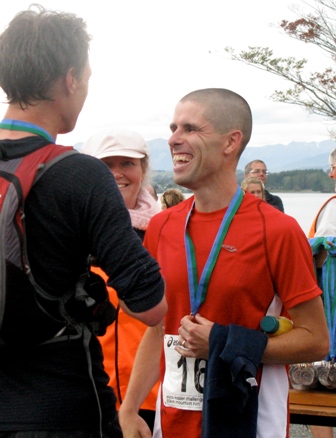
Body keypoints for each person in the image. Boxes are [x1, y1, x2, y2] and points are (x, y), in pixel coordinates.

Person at [118, 88, 329, 438]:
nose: (173, 139)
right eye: (173, 128)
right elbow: (159, 329)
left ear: (231, 142)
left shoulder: (277, 229)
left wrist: (221, 341)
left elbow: (316, 340)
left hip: (250, 419)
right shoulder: (163, 225)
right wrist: (128, 408)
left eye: (190, 129)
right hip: (172, 423)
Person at [0, 5, 166, 438]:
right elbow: (148, 305)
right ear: (70, 78)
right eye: (87, 79)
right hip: (60, 405)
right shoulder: (78, 173)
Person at [81, 128, 161, 431]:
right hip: (87, 396)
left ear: (143, 170)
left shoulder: (166, 232)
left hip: (151, 398)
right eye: (105, 165)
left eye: (127, 163)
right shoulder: (70, 234)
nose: (117, 173)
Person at [307, 148, 336, 438]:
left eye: (333, 167)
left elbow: (319, 261)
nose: (330, 174)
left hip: (329, 316)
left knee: (320, 388)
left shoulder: (331, 208)